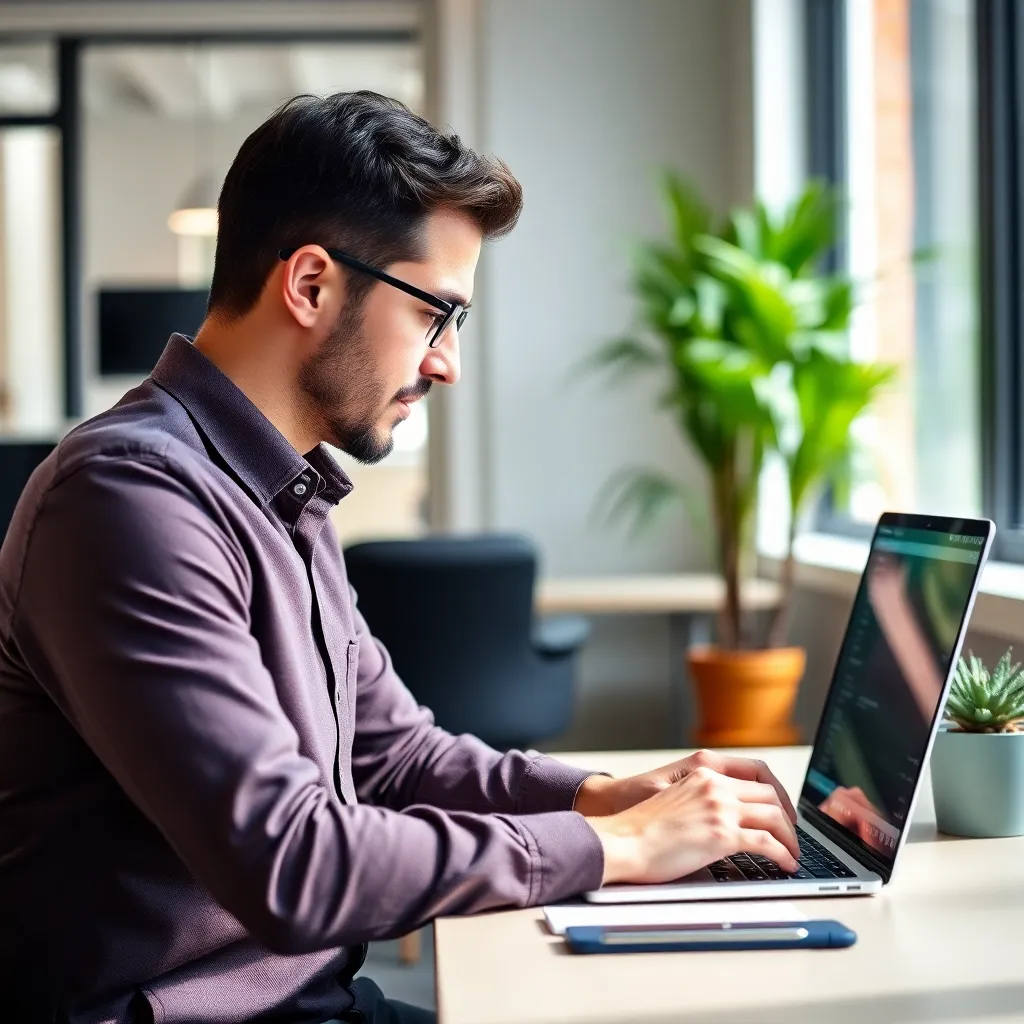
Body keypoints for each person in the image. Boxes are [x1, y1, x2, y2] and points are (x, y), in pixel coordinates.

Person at [0, 91, 800, 1024]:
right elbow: (291, 863)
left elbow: (394, 755)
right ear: (310, 284)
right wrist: (620, 849)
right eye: (435, 313)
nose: (447, 361)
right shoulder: (129, 499)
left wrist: (602, 798)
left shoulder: (281, 490)